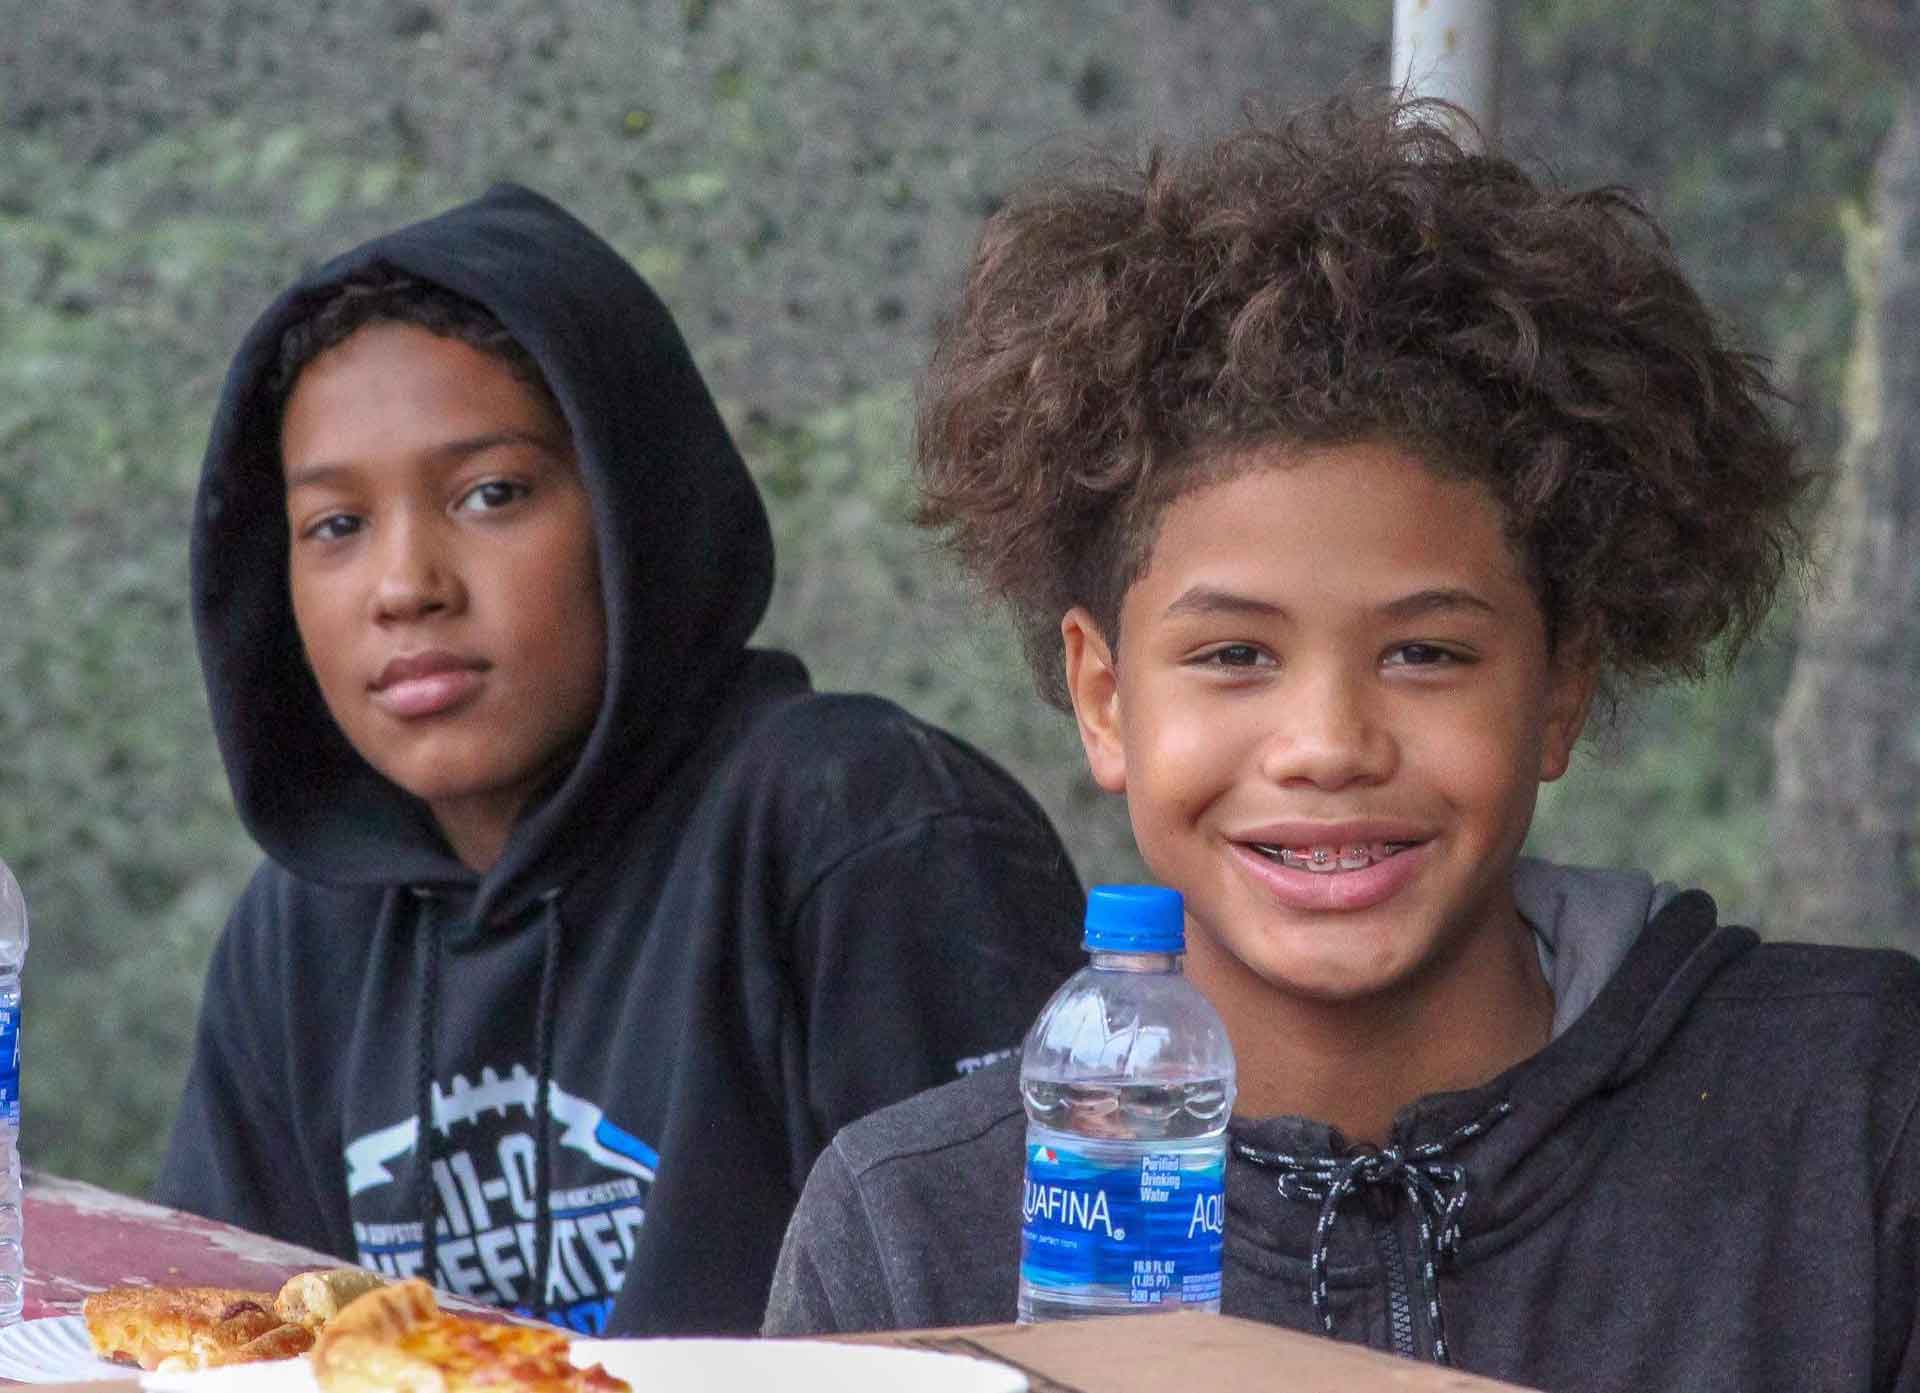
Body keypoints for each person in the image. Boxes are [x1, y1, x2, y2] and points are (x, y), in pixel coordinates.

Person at [762, 96, 1920, 1391]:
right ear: (1102, 698)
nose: (1327, 745)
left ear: (1561, 685)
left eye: (1425, 652)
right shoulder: (915, 1226)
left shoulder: (1860, 1114)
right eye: (1234, 654)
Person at [154, 183, 1086, 1337]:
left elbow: (1012, 1349)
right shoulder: (302, 931)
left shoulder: (858, 829)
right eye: (335, 526)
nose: (405, 585)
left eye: (491, 493)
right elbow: (232, 1348)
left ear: (633, 509)